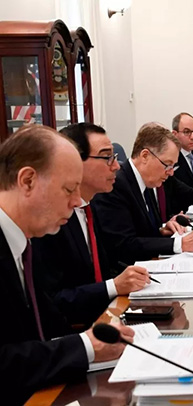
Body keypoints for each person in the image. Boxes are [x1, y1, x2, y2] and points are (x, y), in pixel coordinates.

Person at [0, 125, 133, 404]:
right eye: (69, 189)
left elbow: (49, 327)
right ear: (27, 181)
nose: (76, 202)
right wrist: (85, 346)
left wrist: (94, 341)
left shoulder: (23, 241)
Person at [32, 123, 150, 327]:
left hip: (105, 319)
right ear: (74, 162)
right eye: (107, 157)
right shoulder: (49, 219)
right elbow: (53, 301)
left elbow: (104, 267)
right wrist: (113, 286)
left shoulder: (90, 205)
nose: (117, 166)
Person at [93, 123, 193, 266]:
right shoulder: (116, 185)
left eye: (173, 166)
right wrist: (179, 244)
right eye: (167, 165)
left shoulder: (148, 180)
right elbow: (124, 244)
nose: (170, 173)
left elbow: (143, 233)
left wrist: (162, 230)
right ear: (145, 156)